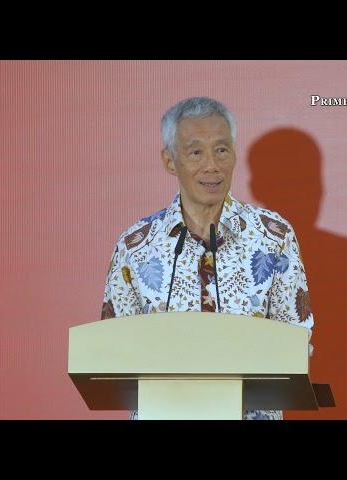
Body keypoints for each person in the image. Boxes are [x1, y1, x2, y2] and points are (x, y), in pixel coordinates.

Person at [101, 96, 314, 420]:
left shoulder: (273, 236)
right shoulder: (137, 245)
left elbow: (298, 342)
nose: (211, 165)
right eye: (196, 152)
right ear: (170, 161)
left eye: (221, 150)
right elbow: (112, 350)